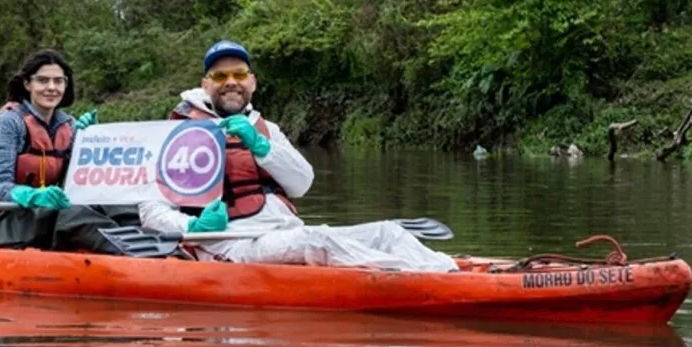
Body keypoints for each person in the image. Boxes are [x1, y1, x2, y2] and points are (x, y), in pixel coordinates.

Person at [138, 40, 459, 272]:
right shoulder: (176, 134)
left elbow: (301, 183)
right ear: (206, 84)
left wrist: (263, 148)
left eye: (239, 74)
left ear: (252, 82)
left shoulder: (265, 128)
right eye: (220, 77)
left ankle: (449, 272)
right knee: (317, 240)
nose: (231, 83)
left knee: (387, 232)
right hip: (231, 245)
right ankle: (426, 278)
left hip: (284, 233)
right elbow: (150, 210)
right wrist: (194, 226)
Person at [0, 48, 139, 252]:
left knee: (117, 204)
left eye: (58, 81)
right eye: (43, 81)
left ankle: (155, 248)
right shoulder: (7, 123)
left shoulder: (70, 125)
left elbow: (81, 182)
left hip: (45, 215)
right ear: (28, 84)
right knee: (73, 214)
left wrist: (92, 141)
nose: (51, 87)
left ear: (65, 85)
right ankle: (130, 257)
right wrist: (32, 196)